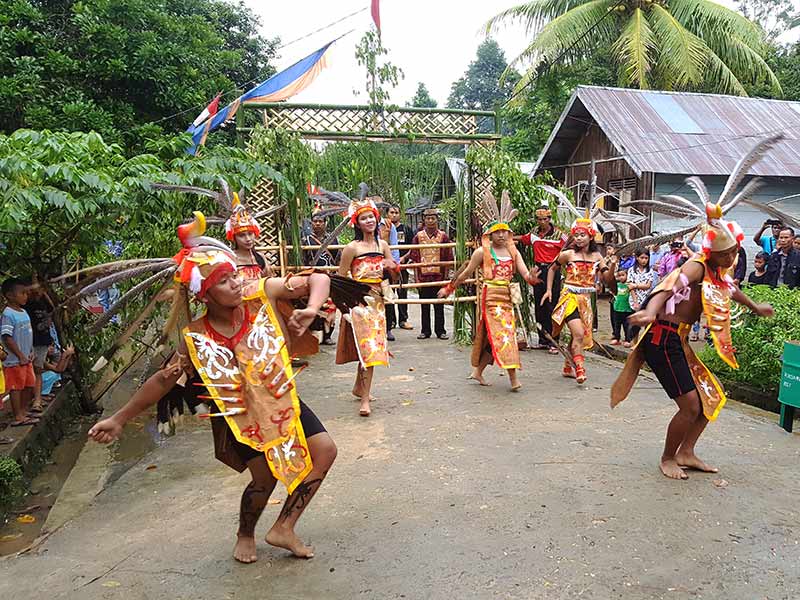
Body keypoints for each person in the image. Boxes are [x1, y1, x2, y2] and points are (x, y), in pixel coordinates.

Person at [87, 212, 345, 563]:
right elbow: (164, 379)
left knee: (325, 451)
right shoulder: (195, 337)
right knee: (264, 478)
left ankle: (284, 526)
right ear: (205, 295)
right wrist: (118, 419)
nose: (236, 284)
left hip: (282, 398)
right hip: (239, 414)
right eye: (224, 282)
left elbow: (317, 279)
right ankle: (245, 532)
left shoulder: (260, 294)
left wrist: (311, 309)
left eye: (234, 276)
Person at [610, 156, 776, 481]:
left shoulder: (717, 272)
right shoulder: (697, 266)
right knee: (690, 406)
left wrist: (756, 307)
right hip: (662, 338)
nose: (731, 258)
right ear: (711, 252)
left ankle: (687, 452)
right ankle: (667, 457)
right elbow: (669, 286)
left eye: (734, 254)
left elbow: (732, 290)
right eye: (726, 254)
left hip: (679, 339)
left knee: (709, 398)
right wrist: (651, 309)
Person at [439, 191, 540, 391]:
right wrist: (449, 288)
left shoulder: (513, 251)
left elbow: (526, 275)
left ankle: (478, 372)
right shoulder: (481, 252)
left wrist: (533, 278)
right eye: (497, 231)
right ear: (489, 234)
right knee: (506, 336)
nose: (502, 235)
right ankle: (513, 379)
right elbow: (466, 273)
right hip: (491, 299)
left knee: (493, 337)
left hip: (507, 299)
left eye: (505, 231)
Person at [337, 195, 398, 417]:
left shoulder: (383, 245)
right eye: (364, 218)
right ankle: (365, 399)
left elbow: (389, 272)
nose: (369, 221)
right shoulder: (351, 248)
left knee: (369, 349)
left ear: (376, 218)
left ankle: (358, 387)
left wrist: (392, 268)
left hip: (378, 304)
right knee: (370, 349)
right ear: (357, 223)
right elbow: (341, 279)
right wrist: (344, 308)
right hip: (359, 304)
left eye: (371, 217)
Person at [542, 215, 614, 384]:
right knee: (579, 333)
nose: (579, 238)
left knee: (578, 336)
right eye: (577, 235)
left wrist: (613, 265)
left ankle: (568, 366)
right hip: (569, 298)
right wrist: (548, 290)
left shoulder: (597, 257)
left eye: (583, 235)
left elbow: (607, 279)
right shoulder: (567, 254)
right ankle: (579, 369)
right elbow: (552, 269)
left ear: (590, 236)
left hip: (586, 300)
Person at [515, 199, 567, 353]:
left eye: (545, 219)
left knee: (552, 304)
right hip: (538, 270)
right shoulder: (534, 233)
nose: (542, 222)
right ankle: (543, 339)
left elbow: (571, 245)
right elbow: (522, 239)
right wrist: (506, 237)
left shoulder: (559, 235)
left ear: (550, 219)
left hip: (554, 270)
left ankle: (554, 341)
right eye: (539, 219)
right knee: (539, 305)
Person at [404, 209, 454, 340]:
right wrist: (416, 279)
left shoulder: (443, 236)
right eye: (428, 218)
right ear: (424, 220)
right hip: (423, 277)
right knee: (424, 306)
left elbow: (448, 258)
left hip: (439, 277)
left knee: (439, 306)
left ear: (437, 219)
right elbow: (414, 258)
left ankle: (440, 331)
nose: (431, 221)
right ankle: (425, 331)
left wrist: (446, 278)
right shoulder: (418, 237)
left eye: (433, 218)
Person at [1, 278, 38, 427]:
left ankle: (24, 411)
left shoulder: (23, 312)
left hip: (26, 358)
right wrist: (20, 355)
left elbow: (28, 333)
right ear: (10, 295)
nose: (25, 296)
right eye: (22, 293)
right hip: (15, 360)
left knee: (29, 384)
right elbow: (7, 337)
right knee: (16, 387)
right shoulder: (8, 314)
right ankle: (18, 416)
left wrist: (30, 351)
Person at [302, 207, 340, 345]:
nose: (317, 224)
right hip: (313, 276)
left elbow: (338, 257)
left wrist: (336, 272)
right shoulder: (306, 240)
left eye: (320, 221)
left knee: (330, 306)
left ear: (325, 223)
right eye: (315, 221)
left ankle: (328, 335)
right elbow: (303, 258)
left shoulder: (333, 239)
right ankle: (314, 333)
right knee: (314, 304)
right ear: (311, 223)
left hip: (329, 276)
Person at [225, 192, 273, 287]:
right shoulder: (230, 260)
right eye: (241, 235)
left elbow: (269, 284)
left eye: (250, 234)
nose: (248, 239)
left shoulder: (260, 258)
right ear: (234, 238)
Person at [24, 281, 55, 412]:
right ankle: (36, 399)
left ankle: (38, 398)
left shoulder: (42, 303)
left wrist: (45, 293)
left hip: (42, 341)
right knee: (35, 370)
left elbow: (52, 308)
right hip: (32, 342)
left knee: (38, 370)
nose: (37, 293)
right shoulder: (27, 306)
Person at [387, 204, 414, 331]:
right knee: (389, 293)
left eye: (396, 212)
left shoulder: (407, 229)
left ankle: (403, 320)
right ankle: (391, 320)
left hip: (402, 266)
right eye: (391, 212)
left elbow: (412, 248)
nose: (394, 215)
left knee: (402, 293)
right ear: (387, 214)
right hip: (388, 267)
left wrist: (404, 259)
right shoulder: (383, 229)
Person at [378, 204, 399, 341]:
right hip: (367, 271)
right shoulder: (362, 224)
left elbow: (395, 248)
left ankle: (388, 329)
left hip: (385, 271)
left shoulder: (389, 225)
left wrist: (394, 268)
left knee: (388, 298)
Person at [626, 248, 657, 339]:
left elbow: (648, 285)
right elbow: (629, 287)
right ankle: (633, 341)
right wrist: (635, 301)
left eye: (646, 258)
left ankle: (644, 341)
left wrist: (635, 285)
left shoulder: (649, 271)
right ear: (637, 258)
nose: (644, 260)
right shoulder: (631, 270)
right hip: (634, 299)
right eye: (642, 258)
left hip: (646, 299)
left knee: (647, 321)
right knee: (636, 323)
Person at [610, 268, 634, 347]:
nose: (621, 277)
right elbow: (613, 293)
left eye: (623, 275)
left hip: (627, 309)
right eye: (619, 276)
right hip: (617, 309)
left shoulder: (629, 285)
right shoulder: (617, 285)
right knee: (617, 325)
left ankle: (628, 339)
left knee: (626, 326)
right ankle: (617, 338)